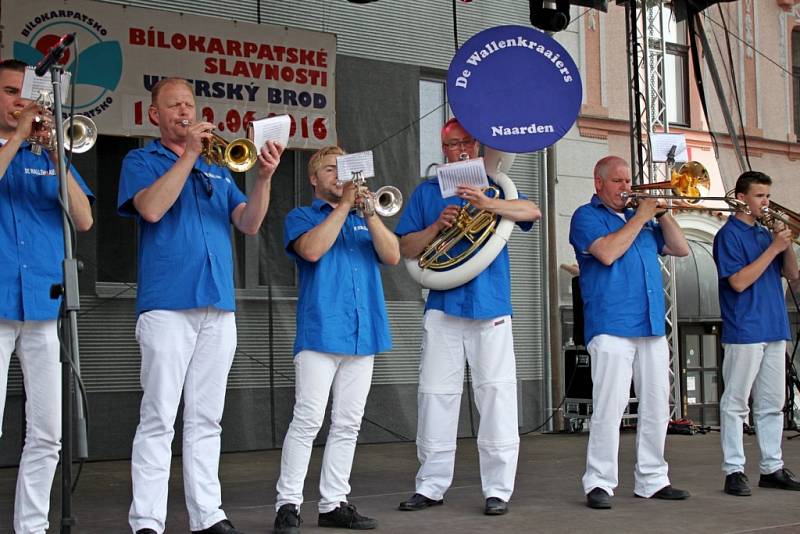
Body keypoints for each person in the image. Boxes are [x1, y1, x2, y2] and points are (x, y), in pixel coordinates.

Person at [117, 77, 283, 534]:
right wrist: (188, 153)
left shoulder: (218, 166)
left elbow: (248, 224)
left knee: (208, 417)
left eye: (189, 104)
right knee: (158, 416)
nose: (184, 112)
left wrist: (264, 179)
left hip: (217, 304)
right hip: (167, 304)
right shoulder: (141, 159)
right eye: (173, 105)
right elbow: (150, 209)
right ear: (155, 115)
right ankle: (146, 521)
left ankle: (208, 515)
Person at [394, 118, 540, 516]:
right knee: (435, 396)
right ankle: (430, 485)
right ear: (443, 149)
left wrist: (487, 204)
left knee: (495, 395)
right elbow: (406, 248)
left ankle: (498, 489)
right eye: (453, 144)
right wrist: (435, 227)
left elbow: (532, 212)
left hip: (490, 305)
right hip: (443, 306)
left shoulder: (495, 187)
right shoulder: (427, 191)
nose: (460, 149)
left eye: (467, 143)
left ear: (476, 147)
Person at [273, 146, 399, 534]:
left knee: (348, 424)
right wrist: (344, 206)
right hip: (321, 333)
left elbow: (392, 255)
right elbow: (310, 251)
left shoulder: (364, 217)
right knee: (307, 420)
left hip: (364, 335)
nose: (338, 176)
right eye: (330, 169)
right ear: (314, 178)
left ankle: (333, 503)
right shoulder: (302, 216)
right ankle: (288, 504)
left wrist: (370, 213)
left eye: (344, 170)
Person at [0, 59, 94, 533]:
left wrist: (57, 155)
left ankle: (31, 528)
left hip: (43, 304)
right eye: (9, 91)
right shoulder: (15, 144)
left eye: (25, 92)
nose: (20, 100)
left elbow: (83, 220)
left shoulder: (46, 154)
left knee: (48, 433)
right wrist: (17, 136)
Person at [569, 155, 691, 510]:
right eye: (619, 181)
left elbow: (681, 248)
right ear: (600, 184)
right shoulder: (586, 216)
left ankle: (653, 478)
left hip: (651, 324)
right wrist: (640, 216)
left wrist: (663, 212)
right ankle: (599, 481)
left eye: (629, 180)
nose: (628, 187)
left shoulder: (646, 224)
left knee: (656, 404)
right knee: (611, 405)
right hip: (611, 324)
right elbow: (606, 253)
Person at [712, 171, 800, 497]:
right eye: (760, 196)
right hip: (745, 327)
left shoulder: (767, 235)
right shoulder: (728, 235)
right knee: (736, 403)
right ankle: (733, 470)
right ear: (741, 198)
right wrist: (773, 247)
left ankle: (772, 467)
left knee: (772, 404)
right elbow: (738, 281)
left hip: (774, 326)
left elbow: (792, 276)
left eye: (768, 196)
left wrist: (784, 244)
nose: (767, 202)